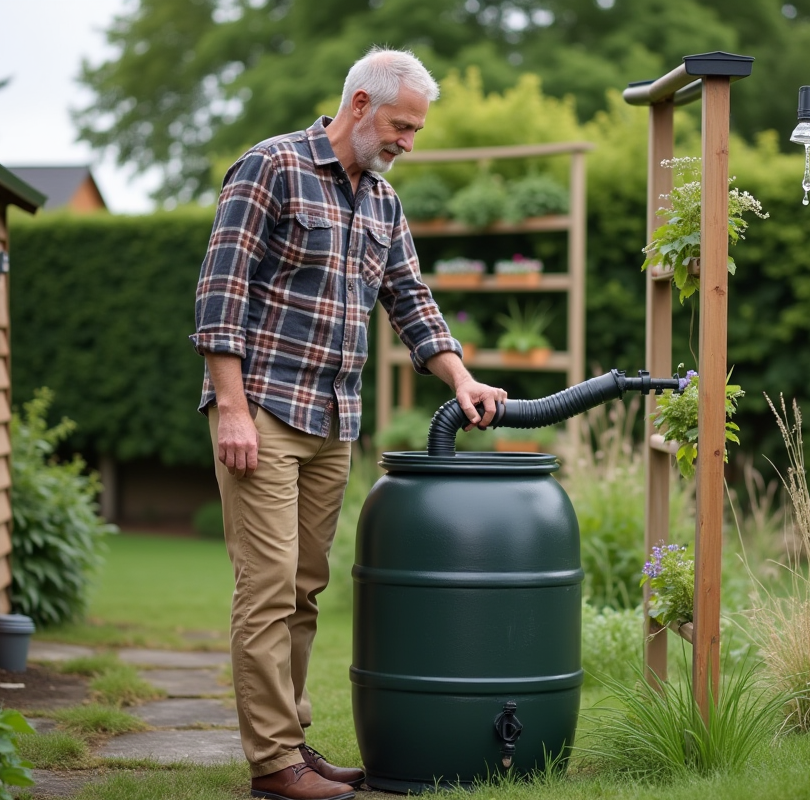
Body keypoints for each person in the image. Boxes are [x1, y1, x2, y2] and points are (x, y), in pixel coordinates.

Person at [191, 47, 507, 800]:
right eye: (402, 125)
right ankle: (273, 764)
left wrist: (460, 376)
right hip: (263, 409)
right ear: (360, 105)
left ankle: (290, 742)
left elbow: (411, 298)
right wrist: (230, 407)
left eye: (416, 130)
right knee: (265, 587)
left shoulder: (382, 201)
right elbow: (219, 295)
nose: (408, 141)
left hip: (334, 420)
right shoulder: (272, 168)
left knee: (303, 588)